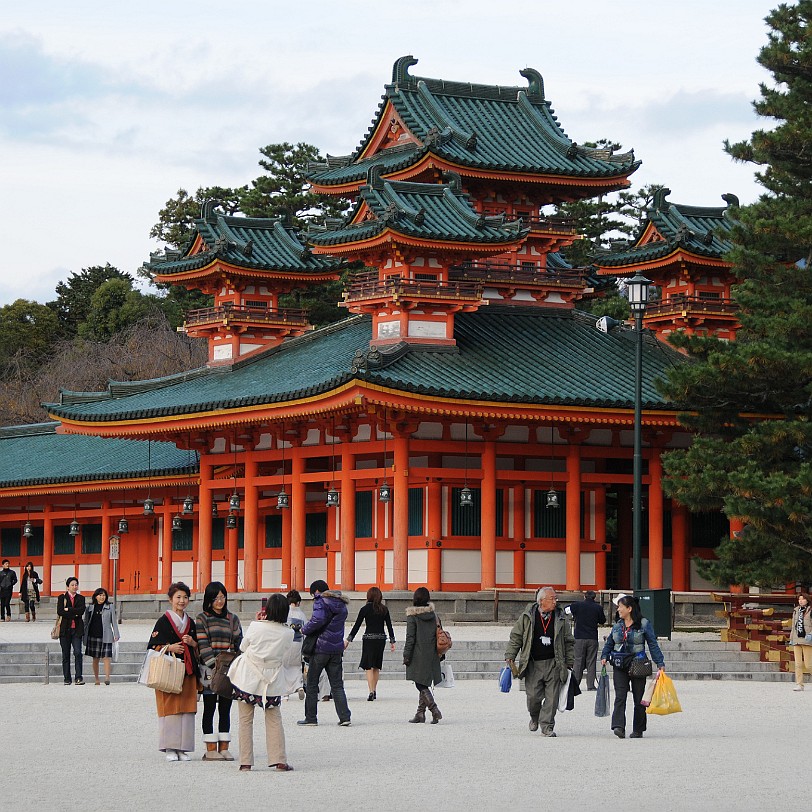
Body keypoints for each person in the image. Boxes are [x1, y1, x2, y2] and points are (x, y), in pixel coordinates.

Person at [228, 592, 301, 772]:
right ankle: (279, 760)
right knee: (274, 719)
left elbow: (243, 647)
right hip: (272, 679)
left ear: (267, 610)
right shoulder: (288, 633)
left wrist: (258, 622)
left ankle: (245, 761)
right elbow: (283, 653)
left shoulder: (255, 626)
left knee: (245, 720)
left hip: (249, 676)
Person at [505, 586, 574, 737]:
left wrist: (569, 661)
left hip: (554, 663)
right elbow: (516, 637)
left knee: (552, 698)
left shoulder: (561, 617)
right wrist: (511, 655)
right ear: (541, 601)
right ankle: (534, 716)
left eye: (556, 598)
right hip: (533, 663)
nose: (555, 601)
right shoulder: (527, 616)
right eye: (552, 598)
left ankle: (547, 726)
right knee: (533, 697)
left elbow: (569, 641)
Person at [148, 582, 200, 761]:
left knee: (186, 709)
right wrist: (169, 647)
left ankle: (183, 748)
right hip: (168, 671)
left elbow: (199, 646)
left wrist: (193, 643)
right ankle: (169, 747)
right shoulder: (163, 621)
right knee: (170, 708)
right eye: (178, 597)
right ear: (170, 599)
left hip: (187, 671)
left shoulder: (190, 622)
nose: (182, 600)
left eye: (185, 597)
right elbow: (152, 646)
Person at [600, 594, 665, 739]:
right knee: (620, 696)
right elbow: (610, 642)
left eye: (620, 607)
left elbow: (652, 644)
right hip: (620, 664)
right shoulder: (617, 625)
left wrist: (660, 663)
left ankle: (638, 729)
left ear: (629, 608)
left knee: (638, 698)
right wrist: (604, 655)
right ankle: (618, 726)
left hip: (638, 664)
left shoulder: (643, 624)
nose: (618, 609)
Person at [196, 581, 243, 759]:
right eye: (216, 597)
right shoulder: (202, 618)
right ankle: (210, 749)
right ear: (209, 599)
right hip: (209, 670)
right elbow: (202, 643)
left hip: (229, 669)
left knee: (225, 708)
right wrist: (214, 665)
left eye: (222, 597)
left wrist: (235, 662)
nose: (220, 601)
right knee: (209, 708)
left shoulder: (233, 618)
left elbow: (239, 642)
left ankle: (224, 746)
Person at [297, 579, 351, 727]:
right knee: (337, 685)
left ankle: (311, 717)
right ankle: (345, 716)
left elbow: (317, 620)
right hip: (336, 649)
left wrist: (304, 629)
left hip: (320, 648)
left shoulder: (321, 601)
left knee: (313, 683)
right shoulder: (341, 604)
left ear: (316, 592)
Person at [346, 586, 396, 701]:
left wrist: (349, 639)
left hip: (368, 639)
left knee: (368, 666)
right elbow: (389, 626)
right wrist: (392, 641)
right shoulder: (384, 609)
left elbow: (357, 625)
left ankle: (371, 691)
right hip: (380, 639)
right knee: (376, 666)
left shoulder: (364, 609)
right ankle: (375, 689)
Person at [403, 587, 443, 724]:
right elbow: (439, 633)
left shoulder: (412, 616)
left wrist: (406, 655)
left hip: (418, 653)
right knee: (424, 681)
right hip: (432, 653)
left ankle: (434, 709)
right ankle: (420, 713)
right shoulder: (434, 615)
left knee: (420, 684)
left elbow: (410, 638)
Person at [567, 590, 606, 690]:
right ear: (594, 598)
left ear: (584, 597)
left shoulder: (577, 605)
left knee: (578, 661)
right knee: (591, 662)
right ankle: (590, 685)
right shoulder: (598, 607)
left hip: (579, 637)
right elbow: (602, 621)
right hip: (592, 637)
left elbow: (566, 610)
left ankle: (575, 684)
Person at [83, 587, 120, 685]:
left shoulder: (110, 606)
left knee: (106, 657)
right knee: (95, 658)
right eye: (100, 595)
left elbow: (114, 622)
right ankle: (96, 679)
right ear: (95, 597)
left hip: (106, 634)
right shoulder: (90, 608)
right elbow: (86, 622)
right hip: (93, 634)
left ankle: (107, 678)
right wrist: (83, 634)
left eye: (104, 595)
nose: (102, 597)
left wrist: (116, 634)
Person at [56, 577, 86, 685]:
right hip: (65, 630)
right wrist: (74, 613)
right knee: (66, 654)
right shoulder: (62, 598)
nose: (74, 587)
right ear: (68, 586)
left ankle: (78, 677)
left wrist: (68, 609)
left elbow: (81, 611)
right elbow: (60, 611)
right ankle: (67, 678)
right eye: (72, 585)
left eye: (76, 584)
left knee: (78, 652)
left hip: (76, 629)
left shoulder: (81, 598)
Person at [789, 592, 812, 691]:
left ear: (807, 600)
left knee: (809, 664)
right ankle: (799, 684)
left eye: (803, 599)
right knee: (797, 664)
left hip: (807, 639)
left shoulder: (810, 610)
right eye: (799, 599)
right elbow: (793, 626)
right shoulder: (796, 611)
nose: (801, 601)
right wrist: (791, 639)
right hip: (797, 639)